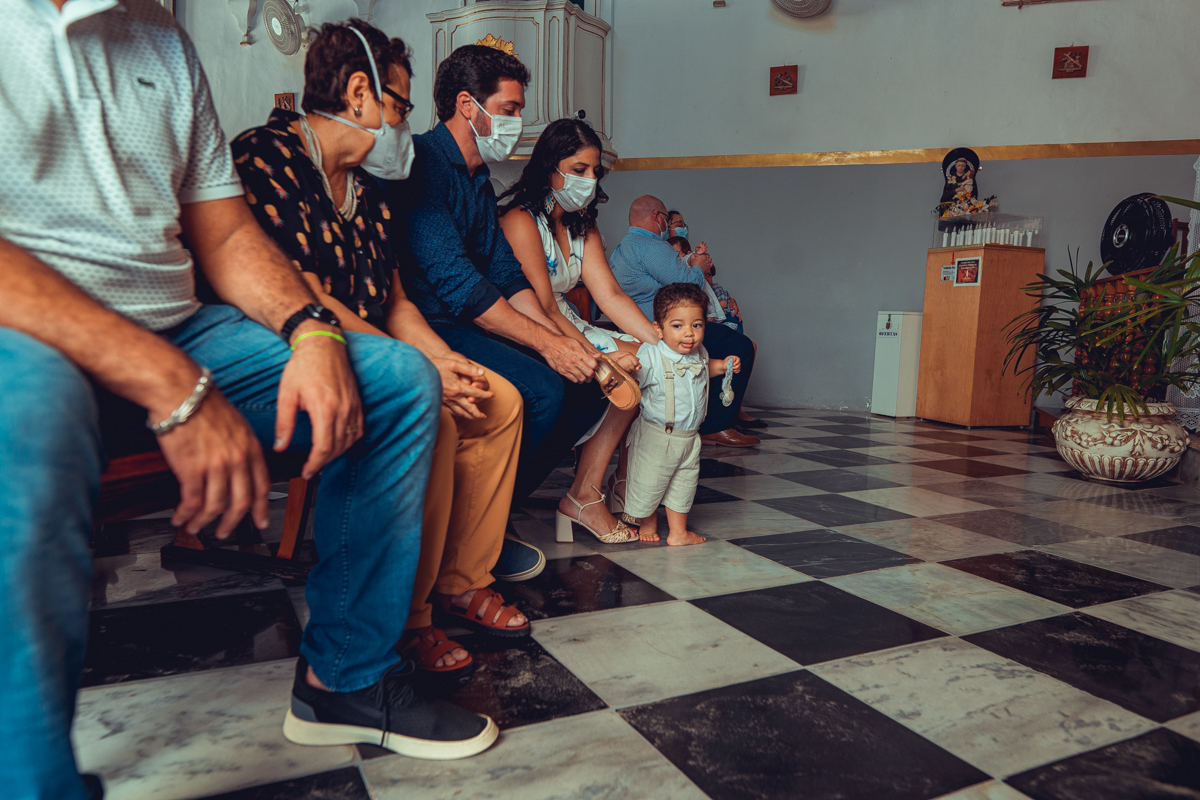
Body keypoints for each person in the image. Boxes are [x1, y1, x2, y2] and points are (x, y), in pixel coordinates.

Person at [1, 4, 499, 797]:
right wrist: (169, 381)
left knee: (399, 382)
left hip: (180, 325)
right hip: (26, 325)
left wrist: (311, 331)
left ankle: (345, 679)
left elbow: (226, 233)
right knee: (32, 414)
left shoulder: (161, 39)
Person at [232, 21, 533, 676]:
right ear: (360, 95)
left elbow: (394, 301)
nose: (405, 125)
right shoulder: (269, 156)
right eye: (400, 106)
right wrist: (423, 366)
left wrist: (444, 357)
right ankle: (411, 616)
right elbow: (305, 295)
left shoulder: (366, 185)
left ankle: (461, 580)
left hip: (374, 340)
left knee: (499, 400)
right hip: (292, 343)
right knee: (432, 410)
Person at [382, 45, 608, 506]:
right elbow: (462, 287)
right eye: (509, 109)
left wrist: (566, 345)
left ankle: (494, 511)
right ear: (468, 105)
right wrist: (548, 345)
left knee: (586, 390)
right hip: (430, 325)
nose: (518, 122)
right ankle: (472, 519)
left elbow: (506, 275)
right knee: (544, 392)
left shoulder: (480, 182)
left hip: (470, 323)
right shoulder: (424, 163)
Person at [498, 118, 663, 543]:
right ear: (550, 166)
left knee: (653, 359)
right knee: (624, 371)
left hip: (568, 320)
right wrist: (600, 357)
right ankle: (585, 495)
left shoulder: (581, 222)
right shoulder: (520, 219)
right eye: (578, 169)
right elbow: (542, 306)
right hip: (532, 326)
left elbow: (610, 295)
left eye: (594, 171)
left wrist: (659, 341)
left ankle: (623, 487)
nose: (589, 180)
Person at [609, 195, 760, 447]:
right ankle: (717, 425)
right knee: (741, 346)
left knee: (718, 342)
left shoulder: (622, 249)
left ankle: (716, 415)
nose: (668, 226)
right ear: (657, 217)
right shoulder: (653, 246)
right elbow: (686, 286)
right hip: (667, 329)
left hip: (638, 326)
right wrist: (699, 267)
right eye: (667, 220)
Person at [620, 283, 738, 546]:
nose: (689, 333)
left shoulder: (699, 353)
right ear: (658, 329)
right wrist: (627, 367)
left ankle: (678, 532)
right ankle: (648, 521)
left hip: (689, 437)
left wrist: (723, 365)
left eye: (697, 325)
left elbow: (704, 368)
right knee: (649, 482)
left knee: (684, 484)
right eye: (677, 326)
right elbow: (633, 380)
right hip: (657, 436)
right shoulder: (652, 355)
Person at [667, 236, 743, 332]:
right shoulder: (671, 270)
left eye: (676, 254)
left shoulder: (684, 262)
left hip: (710, 311)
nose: (672, 257)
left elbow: (689, 259)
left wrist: (697, 254)